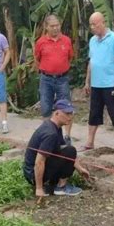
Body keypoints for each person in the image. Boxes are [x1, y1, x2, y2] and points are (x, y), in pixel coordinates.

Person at [82, 12, 114, 154]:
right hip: (96, 85)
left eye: (94, 24)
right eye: (90, 24)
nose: (92, 27)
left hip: (111, 84)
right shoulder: (92, 40)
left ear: (103, 22)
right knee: (94, 114)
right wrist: (87, 81)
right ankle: (90, 142)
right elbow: (91, 61)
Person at [23, 99, 90, 197]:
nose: (70, 117)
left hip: (31, 172)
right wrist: (39, 189)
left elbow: (61, 150)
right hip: (32, 174)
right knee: (71, 150)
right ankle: (61, 187)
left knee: (67, 149)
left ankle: (52, 183)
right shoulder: (50, 133)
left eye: (71, 113)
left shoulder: (54, 127)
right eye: (67, 113)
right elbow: (39, 162)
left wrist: (80, 169)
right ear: (57, 113)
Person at [35, 14, 74, 144]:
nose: (56, 28)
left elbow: (70, 57)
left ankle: (67, 137)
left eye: (57, 25)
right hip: (46, 79)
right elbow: (37, 59)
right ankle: (49, 135)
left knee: (66, 108)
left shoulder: (66, 40)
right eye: (52, 26)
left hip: (62, 78)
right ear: (46, 27)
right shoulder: (40, 42)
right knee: (46, 107)